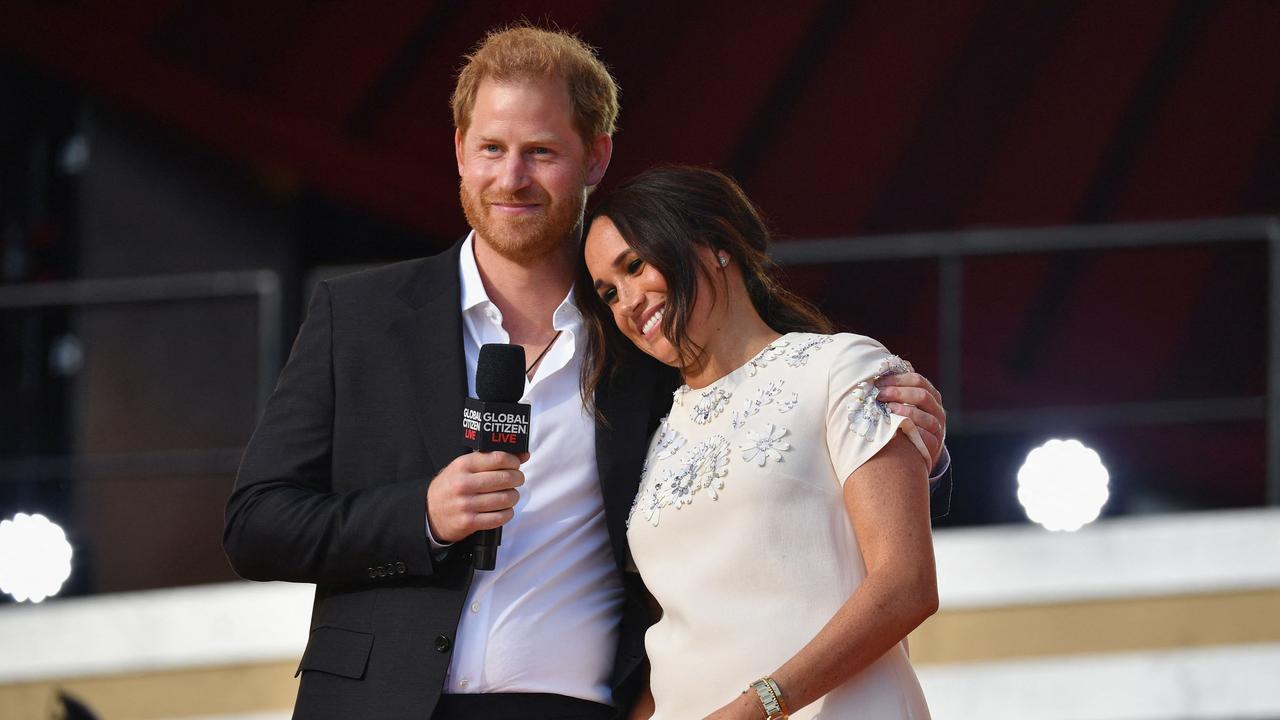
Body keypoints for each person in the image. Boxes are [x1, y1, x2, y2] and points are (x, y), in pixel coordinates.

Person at [224, 25, 949, 720]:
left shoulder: (647, 330)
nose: (512, 177)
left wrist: (911, 441)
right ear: (458, 151)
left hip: (575, 710)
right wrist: (421, 515)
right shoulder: (357, 315)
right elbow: (257, 523)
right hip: (374, 704)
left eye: (541, 151)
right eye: (491, 148)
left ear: (596, 158)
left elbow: (765, 415)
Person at [578, 166, 938, 719]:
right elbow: (680, 631)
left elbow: (906, 584)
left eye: (635, 266)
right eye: (608, 292)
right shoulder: (655, 436)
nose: (625, 301)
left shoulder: (839, 367)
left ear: (718, 244)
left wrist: (759, 706)